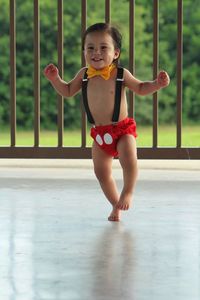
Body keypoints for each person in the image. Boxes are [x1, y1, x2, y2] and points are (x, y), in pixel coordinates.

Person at [44, 23, 170, 222]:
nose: (97, 53)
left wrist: (156, 84)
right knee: (101, 172)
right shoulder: (83, 74)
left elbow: (141, 88)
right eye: (91, 47)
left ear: (116, 53)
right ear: (84, 51)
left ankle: (127, 192)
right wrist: (55, 79)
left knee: (128, 158)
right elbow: (67, 91)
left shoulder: (121, 74)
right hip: (100, 134)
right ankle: (115, 204)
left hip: (122, 130)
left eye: (104, 47)